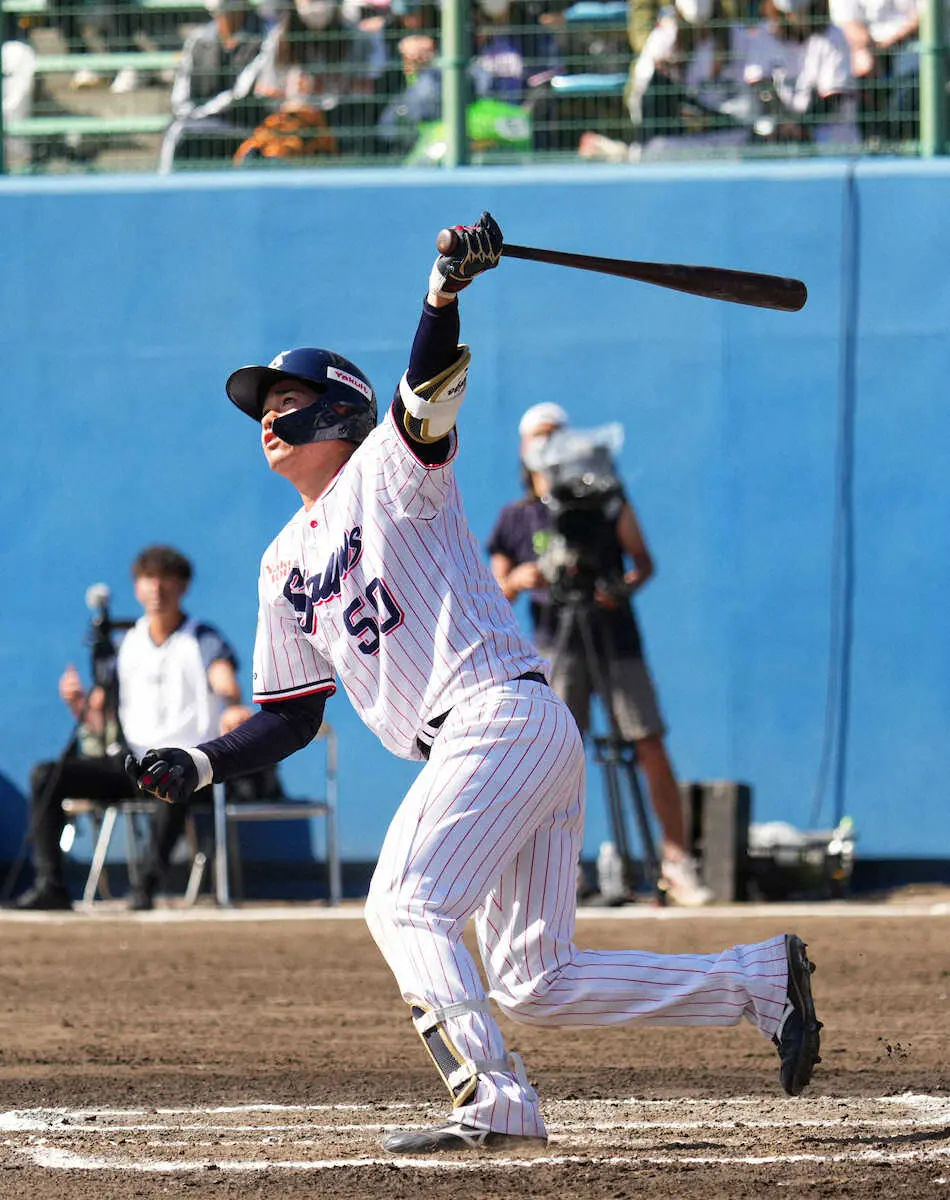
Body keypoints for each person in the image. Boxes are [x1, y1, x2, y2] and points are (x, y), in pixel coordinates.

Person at [127, 211, 822, 1154]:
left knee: (403, 904)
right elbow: (289, 717)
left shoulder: (391, 468)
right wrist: (200, 761)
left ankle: (494, 1101)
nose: (265, 422)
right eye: (258, 411)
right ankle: (758, 982)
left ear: (338, 412)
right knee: (538, 980)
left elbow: (427, 391)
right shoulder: (280, 561)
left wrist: (441, 293)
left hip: (496, 717)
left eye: (283, 404)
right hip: (491, 741)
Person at [487, 403, 713, 907]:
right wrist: (521, 579)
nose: (549, 447)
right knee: (554, 756)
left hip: (616, 638)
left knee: (648, 741)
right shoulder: (516, 517)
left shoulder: (606, 499)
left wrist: (622, 587)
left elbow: (643, 563)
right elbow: (494, 589)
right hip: (554, 644)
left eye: (557, 436)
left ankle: (677, 862)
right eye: (539, 438)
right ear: (523, 450)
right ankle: (558, 873)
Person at [14, 545, 252, 912]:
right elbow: (100, 720)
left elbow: (225, 680)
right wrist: (77, 703)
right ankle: (51, 885)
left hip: (190, 765)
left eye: (166, 580)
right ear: (138, 588)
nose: (156, 589)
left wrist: (233, 703)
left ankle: (144, 889)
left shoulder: (202, 638)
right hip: (130, 763)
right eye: (148, 580)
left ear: (183, 586)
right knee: (47, 775)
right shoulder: (126, 644)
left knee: (173, 779)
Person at [158, 0, 277, 173]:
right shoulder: (198, 39)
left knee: (181, 130)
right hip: (200, 123)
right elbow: (181, 95)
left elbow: (241, 94)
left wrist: (199, 114)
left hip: (248, 124)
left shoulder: (267, 36)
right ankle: (167, 193)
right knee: (177, 130)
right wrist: (190, 114)